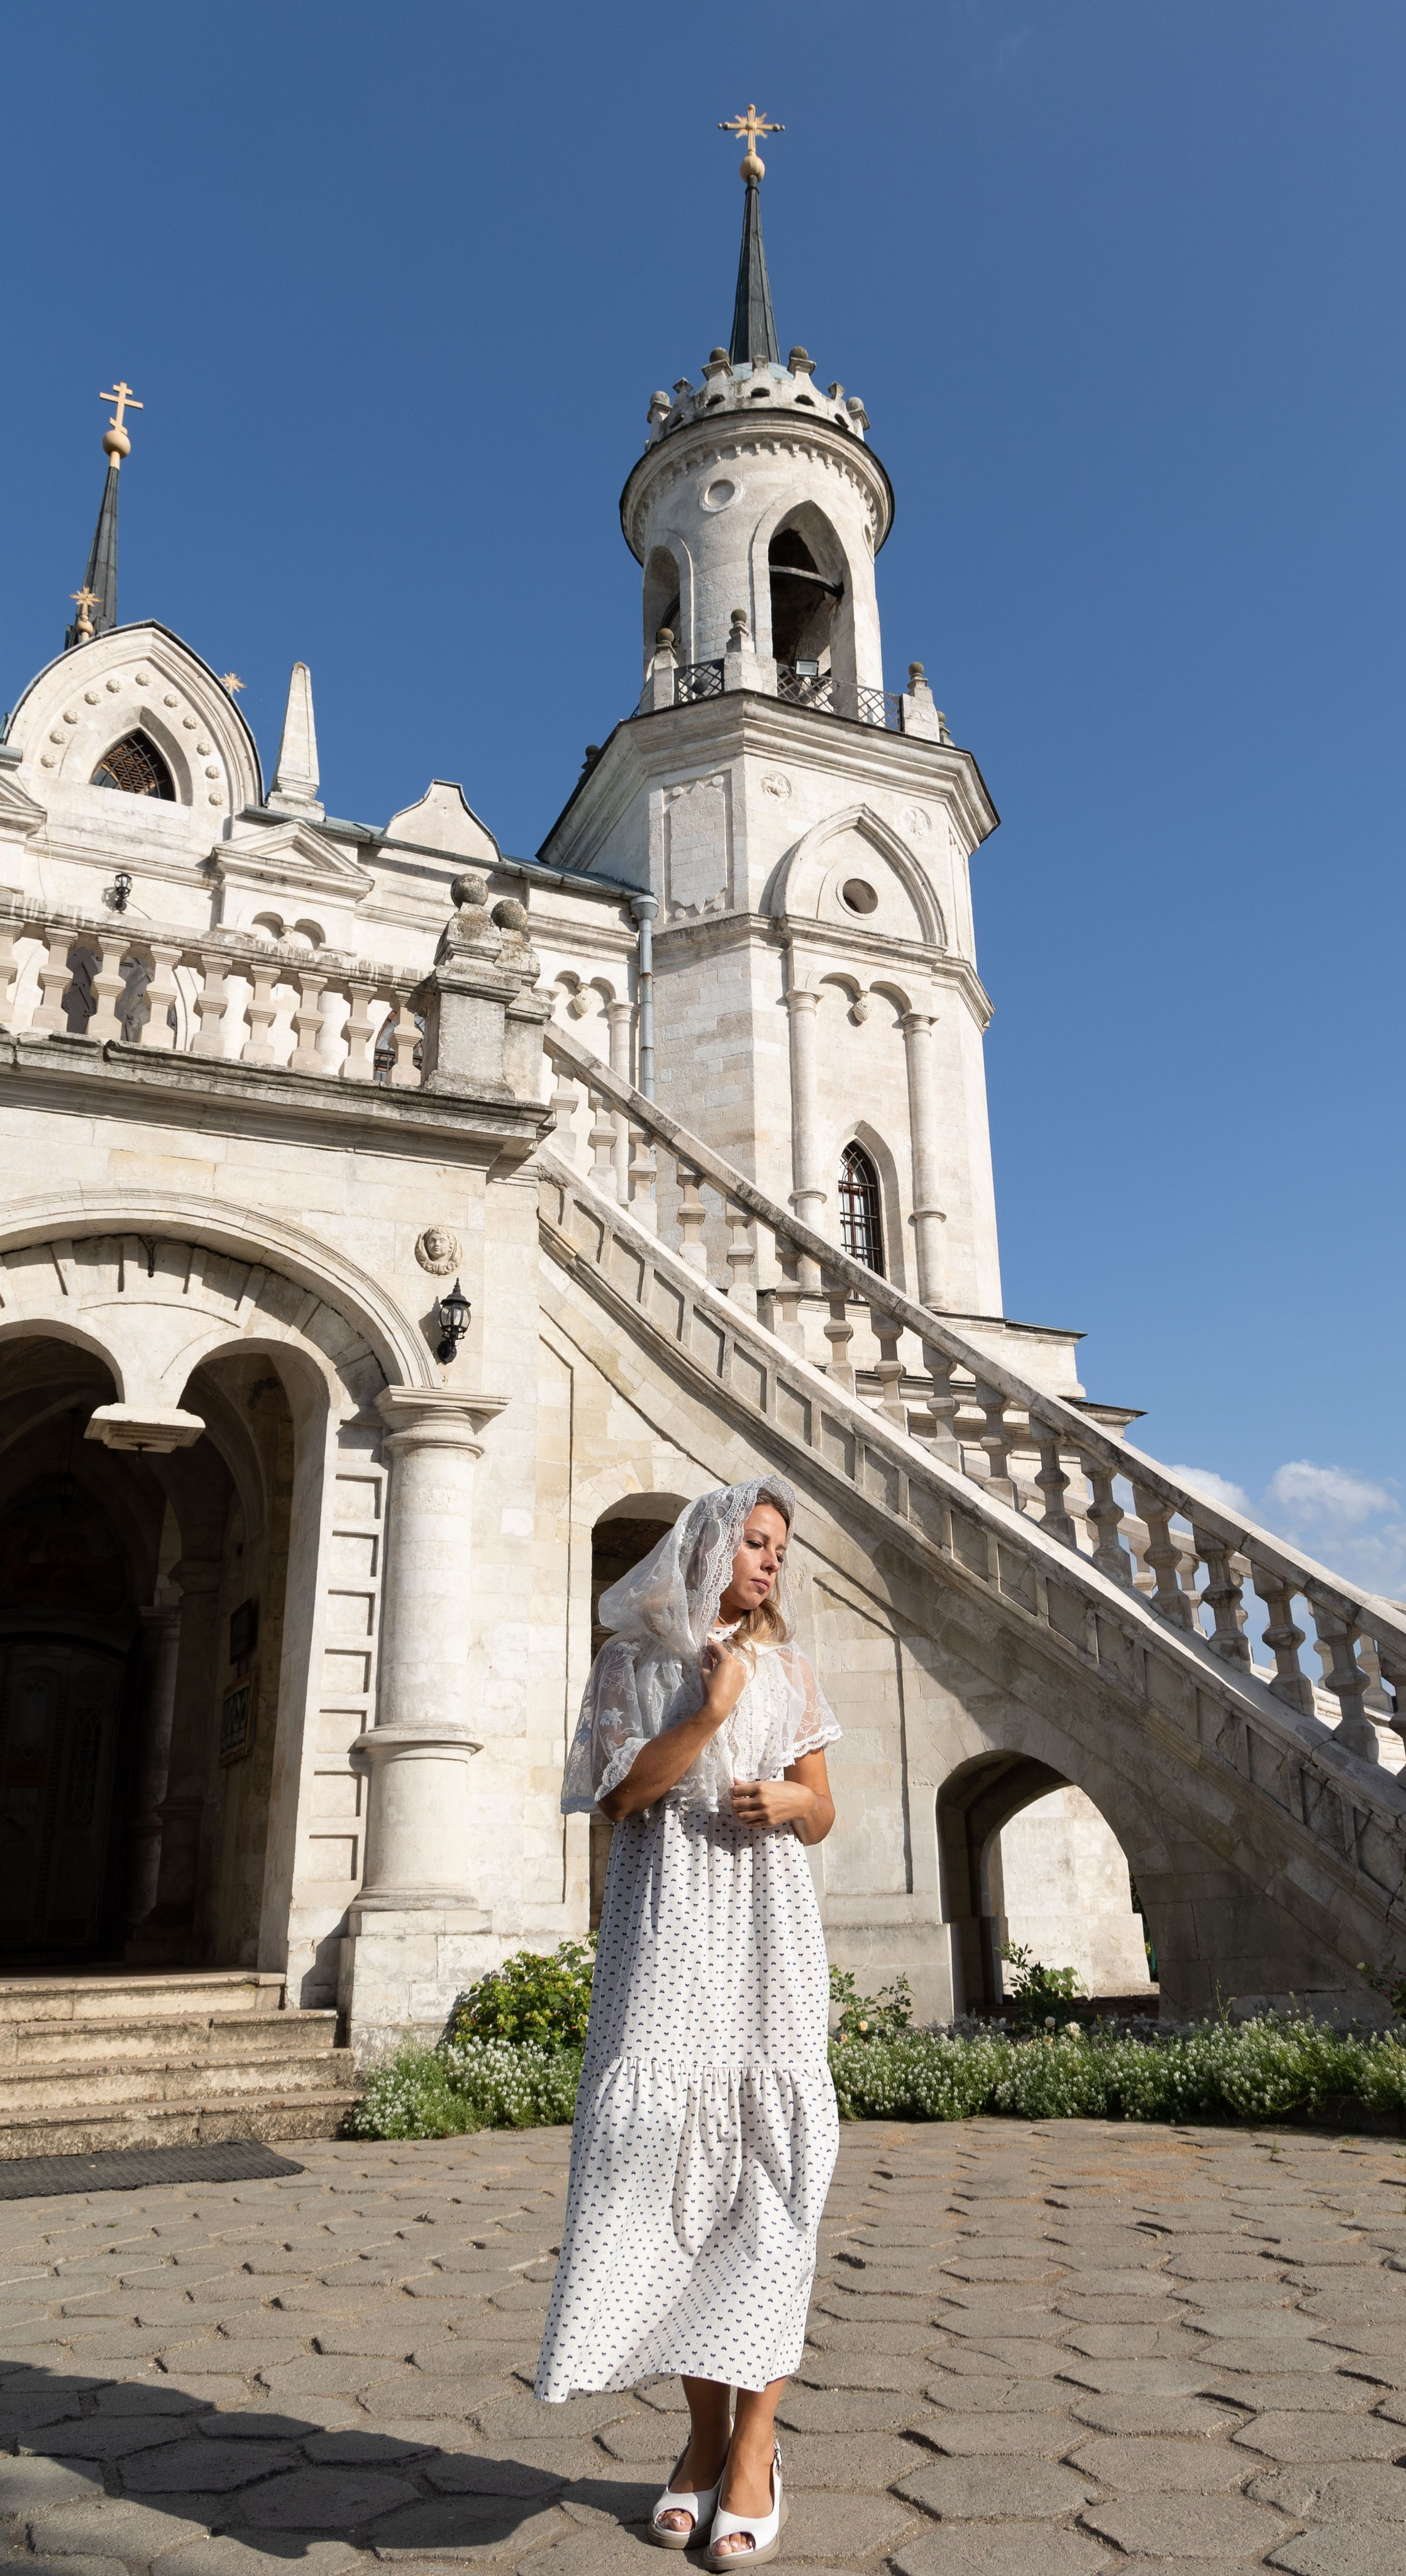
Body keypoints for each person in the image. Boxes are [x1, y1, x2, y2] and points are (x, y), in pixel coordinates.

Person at [535, 1479, 840, 2567]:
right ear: (710, 1548)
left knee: (771, 2181)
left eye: (778, 1549)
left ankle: (754, 2447)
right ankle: (703, 2441)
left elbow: (822, 1809)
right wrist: (709, 1715)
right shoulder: (633, 1663)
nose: (769, 1564)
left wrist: (793, 1802)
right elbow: (621, 1799)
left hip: (767, 1943)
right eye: (755, 1544)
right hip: (667, 1947)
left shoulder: (791, 1669)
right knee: (675, 2188)